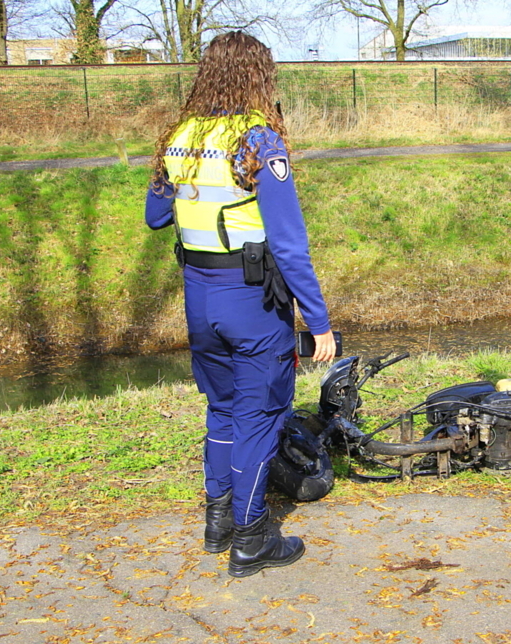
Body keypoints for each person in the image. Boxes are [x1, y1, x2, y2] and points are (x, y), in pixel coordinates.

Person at [145, 31, 336, 577]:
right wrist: (317, 321)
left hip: (199, 296)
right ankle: (251, 540)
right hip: (250, 300)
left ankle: (218, 521)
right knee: (260, 415)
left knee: (223, 408)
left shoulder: (180, 137)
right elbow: (290, 244)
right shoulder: (258, 142)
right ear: (259, 75)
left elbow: (156, 218)